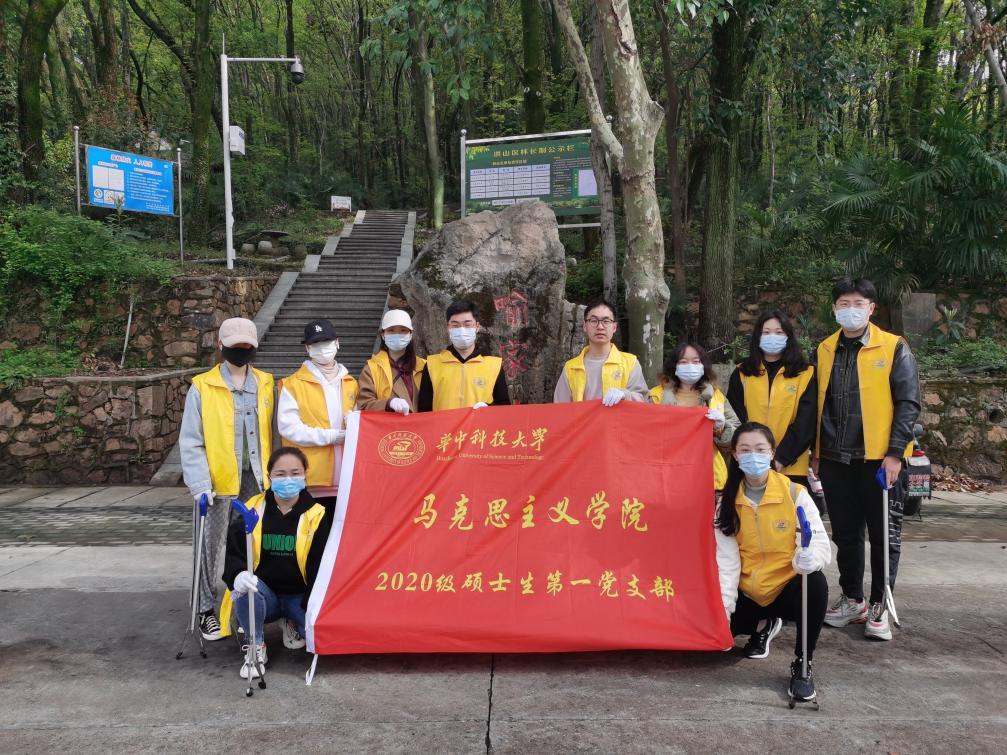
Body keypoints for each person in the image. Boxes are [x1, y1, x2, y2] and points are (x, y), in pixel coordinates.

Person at [814, 278, 921, 641]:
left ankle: (880, 604)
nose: (851, 310)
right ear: (834, 308)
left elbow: (908, 403)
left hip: (879, 460)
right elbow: (817, 403)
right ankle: (853, 599)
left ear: (871, 308)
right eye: (844, 303)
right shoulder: (825, 349)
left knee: (883, 535)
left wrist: (895, 454)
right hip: (835, 458)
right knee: (846, 535)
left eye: (858, 303)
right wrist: (816, 453)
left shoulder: (893, 347)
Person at [716, 422, 830, 702]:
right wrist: (723, 611)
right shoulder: (727, 503)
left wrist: (808, 558)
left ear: (771, 453)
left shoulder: (794, 493)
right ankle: (762, 624)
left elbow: (819, 542)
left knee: (815, 583)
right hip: (748, 593)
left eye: (760, 449)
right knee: (714, 644)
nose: (752, 456)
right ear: (735, 455)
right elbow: (726, 563)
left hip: (784, 589)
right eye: (745, 450)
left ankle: (803, 664)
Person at [179, 316, 273, 642]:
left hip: (255, 480)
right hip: (216, 483)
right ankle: (205, 609)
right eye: (235, 346)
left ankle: (246, 606)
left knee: (251, 545)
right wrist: (199, 484)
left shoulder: (266, 383)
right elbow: (191, 440)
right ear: (221, 346)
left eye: (247, 346)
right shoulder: (203, 387)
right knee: (209, 546)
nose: (241, 351)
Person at [219, 447, 331, 678]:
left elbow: (321, 566)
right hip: (264, 594)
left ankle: (291, 622)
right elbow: (235, 551)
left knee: (322, 642)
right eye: (280, 474)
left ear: (305, 475)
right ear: (269, 476)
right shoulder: (253, 508)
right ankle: (255, 645)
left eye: (295, 473)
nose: (288, 479)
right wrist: (238, 574)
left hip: (299, 597)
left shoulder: (317, 514)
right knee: (244, 589)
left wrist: (311, 608)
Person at [727, 310, 818, 508]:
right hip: (749, 463)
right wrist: (755, 456)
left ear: (788, 336)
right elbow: (736, 419)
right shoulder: (742, 373)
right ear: (757, 336)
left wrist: (779, 459)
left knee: (791, 521)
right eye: (766, 332)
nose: (772, 337)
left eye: (778, 332)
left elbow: (805, 423)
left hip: (791, 466)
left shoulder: (806, 373)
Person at [277, 319, 358, 509]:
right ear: (307, 348)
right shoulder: (293, 384)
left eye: (326, 342)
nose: (322, 348)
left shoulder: (351, 383)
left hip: (348, 479)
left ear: (337, 343)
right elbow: (289, 428)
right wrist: (332, 436)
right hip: (310, 479)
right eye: (315, 344)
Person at [648, 342, 740, 492]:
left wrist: (721, 429)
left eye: (696, 361)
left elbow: (737, 438)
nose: (690, 366)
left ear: (703, 366)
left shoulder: (716, 396)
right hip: (666, 477)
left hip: (708, 478)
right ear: (674, 366)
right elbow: (644, 435)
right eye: (683, 362)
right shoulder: (656, 396)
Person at [417, 301, 510, 411]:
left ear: (477, 326)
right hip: (444, 423)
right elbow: (423, 410)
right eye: (455, 325)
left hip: (480, 423)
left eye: (467, 325)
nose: (461, 330)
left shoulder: (494, 365)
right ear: (448, 327)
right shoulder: (432, 364)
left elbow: (504, 406)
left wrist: (490, 409)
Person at [553, 299, 650, 405]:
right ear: (585, 326)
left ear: (614, 327)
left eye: (606, 321)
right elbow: (560, 408)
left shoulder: (630, 363)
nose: (600, 327)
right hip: (583, 417)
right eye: (594, 321)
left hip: (618, 417)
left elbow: (643, 400)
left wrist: (625, 394)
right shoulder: (571, 368)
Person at [358, 309, 425, 415]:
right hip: (387, 425)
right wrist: (388, 403)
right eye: (391, 330)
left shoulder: (424, 366)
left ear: (411, 334)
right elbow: (364, 404)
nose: (397, 335)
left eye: (403, 330)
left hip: (420, 424)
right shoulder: (372, 368)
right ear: (383, 334)